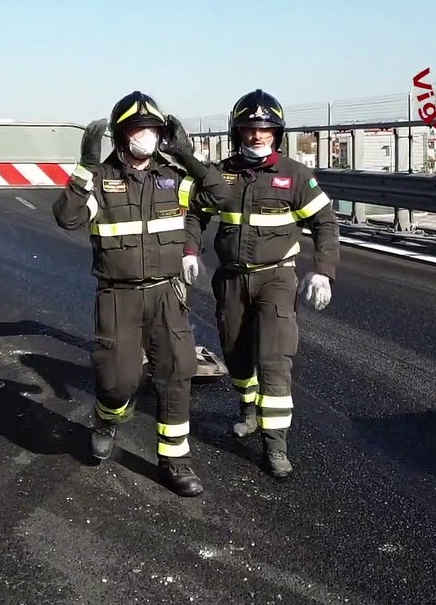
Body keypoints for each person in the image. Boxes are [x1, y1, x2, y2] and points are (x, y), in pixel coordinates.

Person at [53, 90, 229, 497]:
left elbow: (220, 196)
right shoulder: (101, 179)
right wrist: (83, 169)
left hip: (167, 294)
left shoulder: (173, 177)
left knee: (177, 370)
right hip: (119, 296)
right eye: (137, 129)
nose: (145, 137)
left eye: (152, 129)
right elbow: (67, 218)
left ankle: (175, 460)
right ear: (121, 135)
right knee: (119, 380)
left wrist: (187, 156)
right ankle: (107, 418)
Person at [184, 89, 339, 478]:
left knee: (275, 360)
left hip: (277, 279)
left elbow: (325, 223)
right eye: (249, 129)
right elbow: (195, 215)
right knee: (236, 354)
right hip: (232, 279)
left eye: (265, 129)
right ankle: (247, 410)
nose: (257, 136)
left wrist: (323, 269)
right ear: (238, 132)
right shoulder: (222, 174)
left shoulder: (295, 176)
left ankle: (276, 445)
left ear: (277, 133)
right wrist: (189, 250)